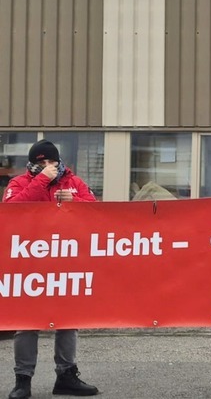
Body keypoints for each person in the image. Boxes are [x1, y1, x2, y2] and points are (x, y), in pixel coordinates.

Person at [3, 140, 99, 398]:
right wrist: (41, 181)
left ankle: (66, 375)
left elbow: (96, 211)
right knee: (27, 322)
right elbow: (10, 211)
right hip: (30, 262)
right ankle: (23, 380)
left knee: (68, 319)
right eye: (41, 163)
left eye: (52, 163)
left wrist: (74, 200)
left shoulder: (73, 182)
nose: (48, 167)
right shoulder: (19, 183)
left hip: (66, 261)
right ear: (32, 164)